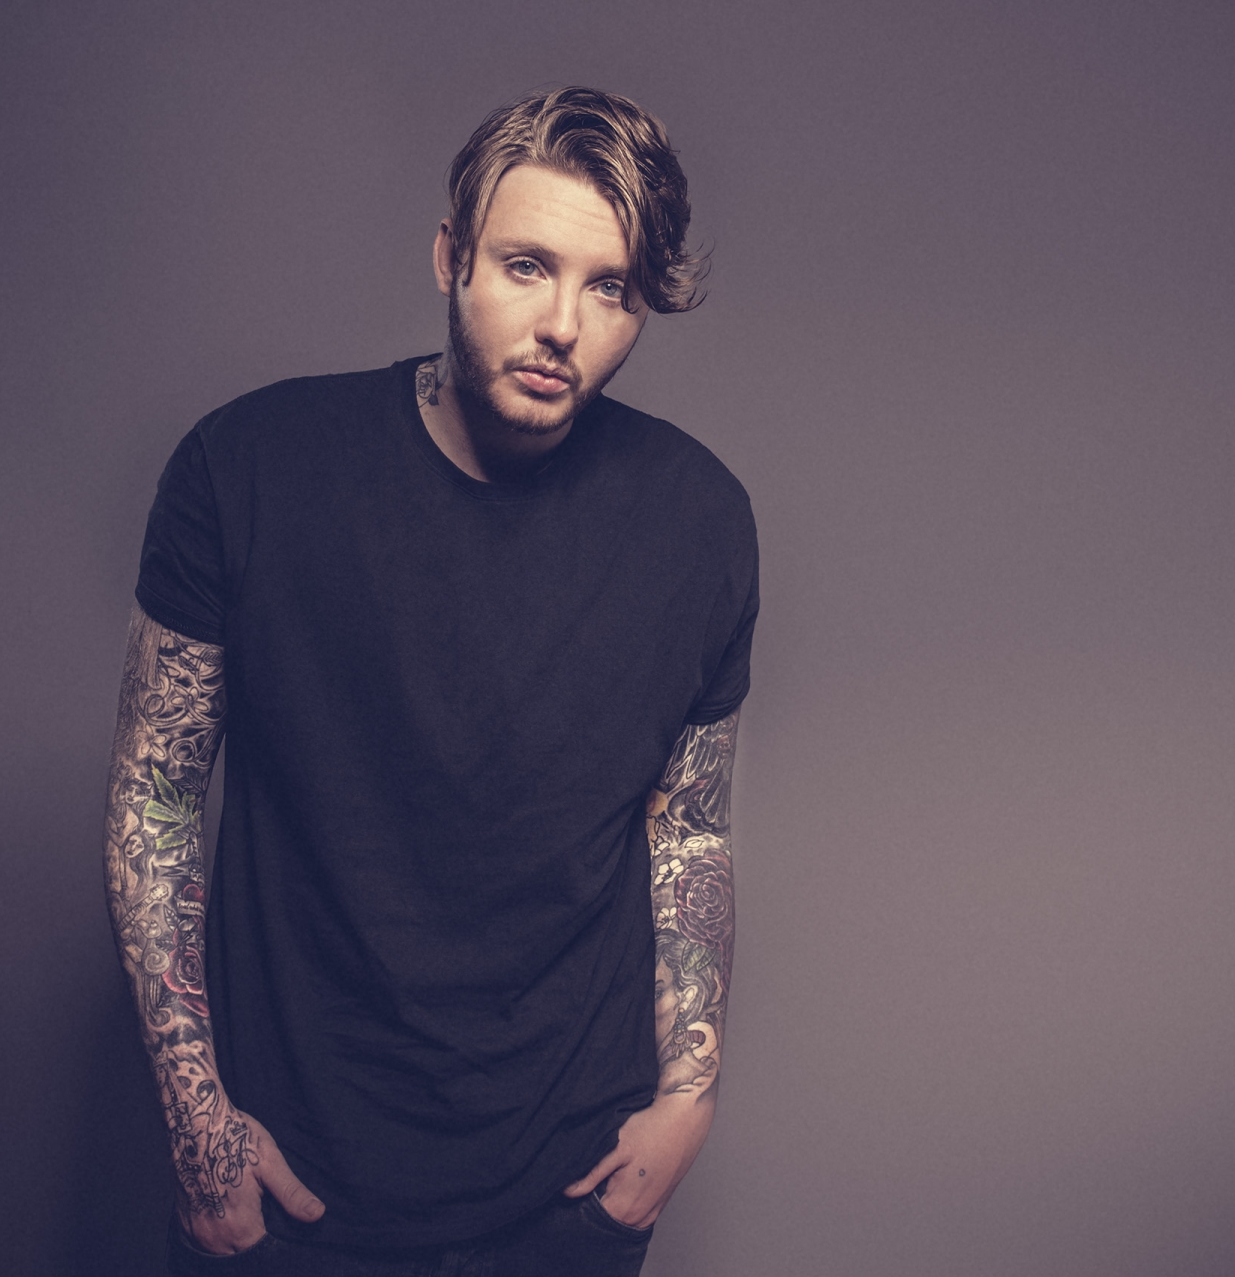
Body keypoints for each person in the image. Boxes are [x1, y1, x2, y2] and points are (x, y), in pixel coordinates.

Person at [103, 86, 758, 1276]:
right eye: (525, 265)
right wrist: (199, 1125)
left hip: (571, 1192)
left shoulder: (701, 519)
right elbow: (157, 794)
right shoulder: (247, 470)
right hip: (292, 1190)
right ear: (451, 256)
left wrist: (689, 1096)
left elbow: (692, 826)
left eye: (609, 288)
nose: (561, 324)